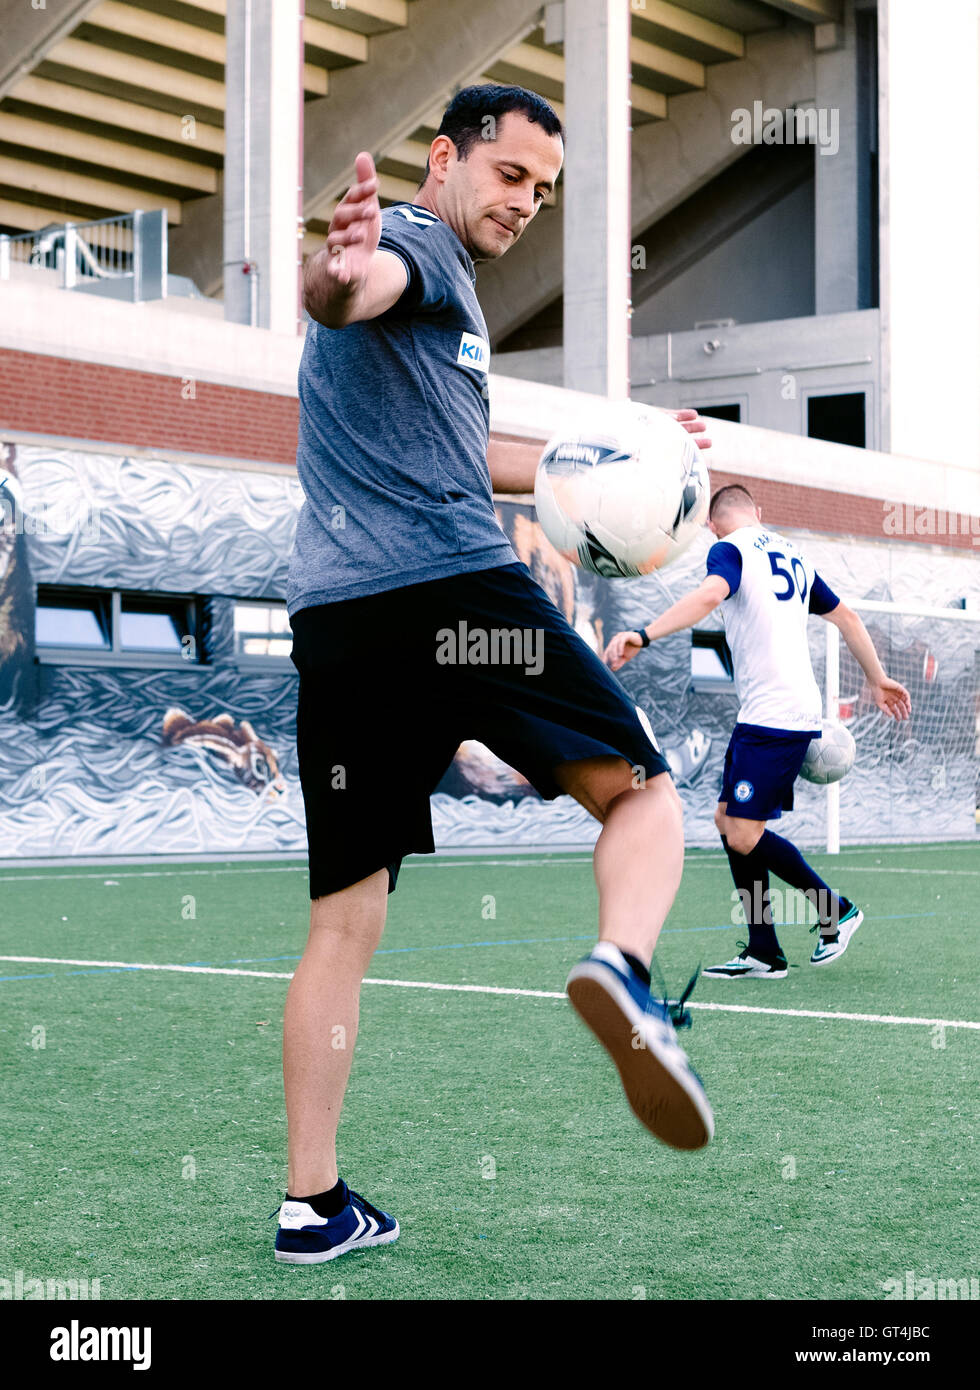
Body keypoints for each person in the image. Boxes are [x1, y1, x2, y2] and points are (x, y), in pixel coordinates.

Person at [274, 85, 716, 1267]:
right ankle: (622, 971)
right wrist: (333, 272)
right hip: (456, 602)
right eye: (511, 175)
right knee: (641, 791)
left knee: (342, 921)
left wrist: (643, 459)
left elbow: (470, 451)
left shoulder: (444, 312)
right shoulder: (414, 250)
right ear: (445, 159)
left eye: (544, 189)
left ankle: (310, 1202)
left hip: (341, 625)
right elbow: (346, 291)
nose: (526, 202)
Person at [603, 484, 911, 982]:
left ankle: (835, 910)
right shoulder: (793, 554)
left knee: (744, 832)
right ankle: (764, 950)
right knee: (728, 822)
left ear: (711, 524)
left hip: (775, 717)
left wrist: (643, 634)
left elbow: (709, 594)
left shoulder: (729, 549)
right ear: (759, 513)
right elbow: (846, 616)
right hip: (769, 714)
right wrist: (876, 678)